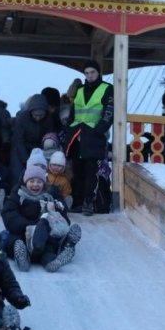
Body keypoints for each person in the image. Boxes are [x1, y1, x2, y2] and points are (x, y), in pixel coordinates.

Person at [2, 165, 82, 273]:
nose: (35, 184)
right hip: (23, 232)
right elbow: (9, 214)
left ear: (44, 183)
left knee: (49, 245)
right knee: (14, 240)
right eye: (32, 181)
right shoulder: (18, 195)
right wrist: (29, 226)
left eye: (39, 182)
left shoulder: (49, 197)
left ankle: (52, 262)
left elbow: (64, 219)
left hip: (43, 235)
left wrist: (54, 211)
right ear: (26, 182)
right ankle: (22, 258)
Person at [65, 60, 114, 216]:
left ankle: (89, 203)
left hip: (94, 135)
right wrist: (70, 128)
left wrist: (100, 129)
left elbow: (109, 111)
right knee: (77, 170)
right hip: (78, 135)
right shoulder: (79, 90)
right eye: (86, 73)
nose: (89, 76)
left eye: (92, 72)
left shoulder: (107, 88)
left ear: (98, 73)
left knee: (92, 171)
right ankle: (78, 202)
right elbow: (73, 112)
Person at [10, 93, 56, 184]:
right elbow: (18, 140)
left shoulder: (49, 120)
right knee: (18, 174)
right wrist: (26, 160)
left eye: (41, 115)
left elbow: (49, 137)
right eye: (35, 115)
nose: (38, 118)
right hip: (21, 148)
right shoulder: (22, 118)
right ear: (31, 112)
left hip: (38, 149)